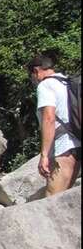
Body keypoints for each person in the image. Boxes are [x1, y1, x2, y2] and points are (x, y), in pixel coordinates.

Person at [27, 55, 81, 196]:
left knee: (51, 199)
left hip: (63, 147)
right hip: (76, 143)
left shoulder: (46, 85)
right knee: (65, 199)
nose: (32, 80)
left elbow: (49, 118)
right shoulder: (66, 82)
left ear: (36, 71)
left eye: (31, 76)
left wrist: (44, 155)